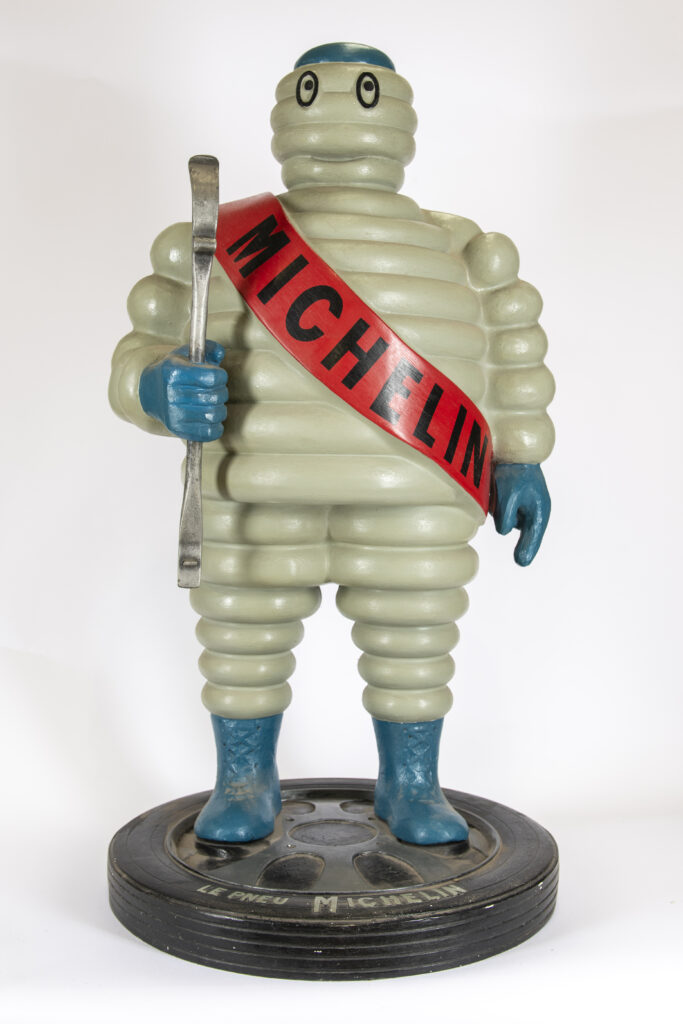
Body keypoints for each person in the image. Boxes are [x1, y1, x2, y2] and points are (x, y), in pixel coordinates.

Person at [109, 42, 554, 845]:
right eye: (313, 92)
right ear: (288, 108)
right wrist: (156, 387)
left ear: (401, 115)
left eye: (366, 93)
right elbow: (141, 348)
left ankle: (411, 784)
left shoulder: (462, 250)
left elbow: (509, 347)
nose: (342, 110)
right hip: (251, 482)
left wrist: (518, 457)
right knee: (242, 637)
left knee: (414, 639)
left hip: (412, 489)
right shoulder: (214, 241)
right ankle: (244, 780)